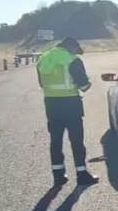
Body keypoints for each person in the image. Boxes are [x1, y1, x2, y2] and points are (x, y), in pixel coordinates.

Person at [36, 37, 99, 186]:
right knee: (76, 141)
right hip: (71, 104)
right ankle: (82, 173)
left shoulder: (43, 58)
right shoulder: (72, 59)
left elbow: (41, 83)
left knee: (56, 141)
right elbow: (83, 86)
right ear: (72, 48)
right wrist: (89, 82)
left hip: (51, 104)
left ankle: (58, 175)